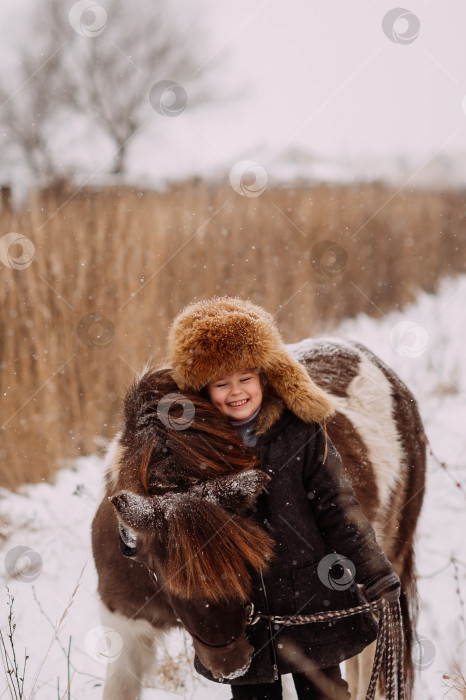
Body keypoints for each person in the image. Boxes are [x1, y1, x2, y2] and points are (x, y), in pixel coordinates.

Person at [166, 297, 401, 700]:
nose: (236, 392)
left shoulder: (301, 433)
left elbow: (337, 507)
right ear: (203, 390)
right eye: (221, 384)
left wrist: (374, 570)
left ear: (265, 377)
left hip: (312, 595)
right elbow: (167, 511)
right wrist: (135, 534)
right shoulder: (192, 447)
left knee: (325, 692)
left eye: (245, 379)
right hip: (241, 610)